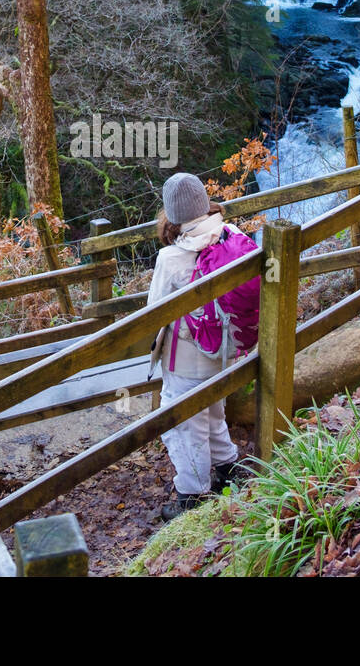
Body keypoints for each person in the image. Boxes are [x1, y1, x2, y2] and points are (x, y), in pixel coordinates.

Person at [148, 171, 244, 520]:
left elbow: (154, 313)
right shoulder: (233, 236)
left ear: (172, 214)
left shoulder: (170, 259)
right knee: (213, 411)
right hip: (227, 352)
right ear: (205, 203)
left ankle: (193, 497)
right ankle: (229, 470)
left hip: (186, 360)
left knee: (184, 424)